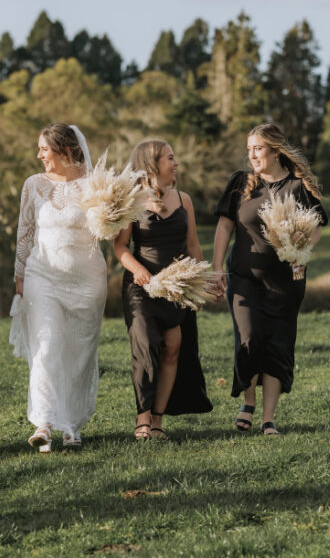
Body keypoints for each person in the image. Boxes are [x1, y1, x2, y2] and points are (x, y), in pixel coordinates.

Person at [211, 123, 327, 436]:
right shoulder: (241, 182)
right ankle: (248, 400)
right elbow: (224, 227)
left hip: (286, 282)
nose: (252, 155)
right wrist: (217, 266)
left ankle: (268, 419)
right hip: (244, 277)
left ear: (275, 150)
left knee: (277, 345)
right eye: (249, 149)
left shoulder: (297, 185)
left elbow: (316, 225)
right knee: (249, 338)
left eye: (258, 148)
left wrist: (302, 250)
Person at [10, 123, 107, 451]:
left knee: (78, 354)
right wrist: (19, 276)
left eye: (44, 149)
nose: (39, 155)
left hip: (87, 281)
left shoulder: (96, 185)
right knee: (48, 346)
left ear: (65, 151)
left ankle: (71, 427)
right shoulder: (33, 185)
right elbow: (24, 232)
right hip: (42, 277)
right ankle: (45, 423)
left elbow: (107, 230)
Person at [114, 139, 212, 441]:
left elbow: (193, 244)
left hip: (176, 288)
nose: (176, 163)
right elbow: (119, 247)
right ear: (152, 163)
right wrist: (139, 270)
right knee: (145, 345)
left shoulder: (184, 199)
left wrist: (203, 280)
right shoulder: (132, 199)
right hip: (141, 287)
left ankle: (157, 420)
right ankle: (141, 418)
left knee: (173, 348)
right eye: (170, 158)